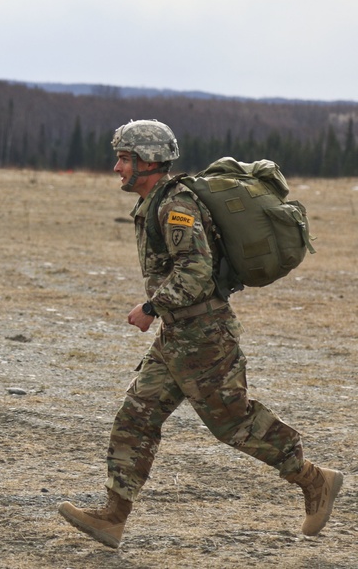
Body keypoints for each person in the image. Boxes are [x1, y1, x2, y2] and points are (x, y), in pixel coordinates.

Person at [58, 119, 344, 549]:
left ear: (148, 162)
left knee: (233, 423)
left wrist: (152, 307)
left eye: (123, 158)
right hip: (179, 333)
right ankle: (112, 518)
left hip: (204, 334)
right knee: (137, 415)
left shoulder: (176, 205)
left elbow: (195, 270)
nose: (116, 167)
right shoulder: (154, 201)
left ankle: (314, 479)